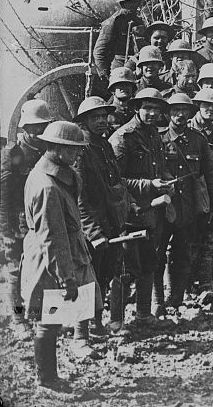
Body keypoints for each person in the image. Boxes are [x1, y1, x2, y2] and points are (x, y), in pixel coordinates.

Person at [20, 121, 95, 396]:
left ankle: (49, 377)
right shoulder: (46, 186)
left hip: (57, 256)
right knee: (47, 321)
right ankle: (47, 379)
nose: (77, 156)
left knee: (51, 319)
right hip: (50, 262)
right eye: (73, 150)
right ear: (57, 149)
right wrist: (66, 278)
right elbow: (53, 238)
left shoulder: (58, 174)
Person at [109, 89, 173, 326]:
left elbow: (159, 166)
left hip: (151, 212)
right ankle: (116, 322)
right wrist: (149, 184)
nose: (152, 113)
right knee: (126, 269)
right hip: (128, 213)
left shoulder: (153, 135)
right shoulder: (123, 138)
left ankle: (143, 315)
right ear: (137, 108)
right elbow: (115, 180)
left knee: (149, 264)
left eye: (156, 109)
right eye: (147, 108)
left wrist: (166, 181)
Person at [154, 93, 213, 315]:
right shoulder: (158, 138)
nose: (180, 115)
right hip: (162, 208)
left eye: (184, 111)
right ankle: (157, 302)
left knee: (182, 254)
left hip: (188, 208)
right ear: (168, 113)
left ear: (190, 113)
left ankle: (176, 299)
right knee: (157, 254)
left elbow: (211, 176)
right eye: (175, 110)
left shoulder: (198, 140)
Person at [73, 97, 130, 344]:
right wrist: (94, 232)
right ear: (84, 121)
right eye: (94, 117)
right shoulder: (81, 150)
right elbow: (79, 198)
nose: (100, 121)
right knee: (89, 278)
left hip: (110, 222)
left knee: (106, 275)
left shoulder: (104, 146)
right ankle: (83, 331)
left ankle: (97, 322)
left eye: (103, 116)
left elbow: (115, 183)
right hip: (91, 227)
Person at [1, 100, 54, 340]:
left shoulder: (48, 150)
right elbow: (3, 199)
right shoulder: (12, 155)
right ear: (24, 128)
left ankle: (41, 314)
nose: (39, 132)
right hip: (17, 222)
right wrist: (7, 230)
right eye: (34, 127)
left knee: (45, 266)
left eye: (43, 126)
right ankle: (18, 318)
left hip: (42, 219)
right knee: (15, 269)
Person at [188, 88, 213, 296]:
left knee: (211, 239)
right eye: (206, 105)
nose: (210, 110)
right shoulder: (188, 130)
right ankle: (187, 284)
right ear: (198, 106)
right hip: (192, 194)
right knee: (191, 240)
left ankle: (206, 282)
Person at [93, 0, 146, 78]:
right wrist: (104, 74)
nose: (135, 5)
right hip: (118, 65)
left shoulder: (137, 21)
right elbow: (99, 52)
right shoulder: (113, 22)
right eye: (131, 2)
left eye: (137, 2)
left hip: (135, 64)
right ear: (123, 3)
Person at [106, 67, 138, 134]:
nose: (124, 87)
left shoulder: (137, 113)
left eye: (128, 85)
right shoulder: (106, 114)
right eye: (120, 84)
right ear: (112, 89)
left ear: (132, 89)